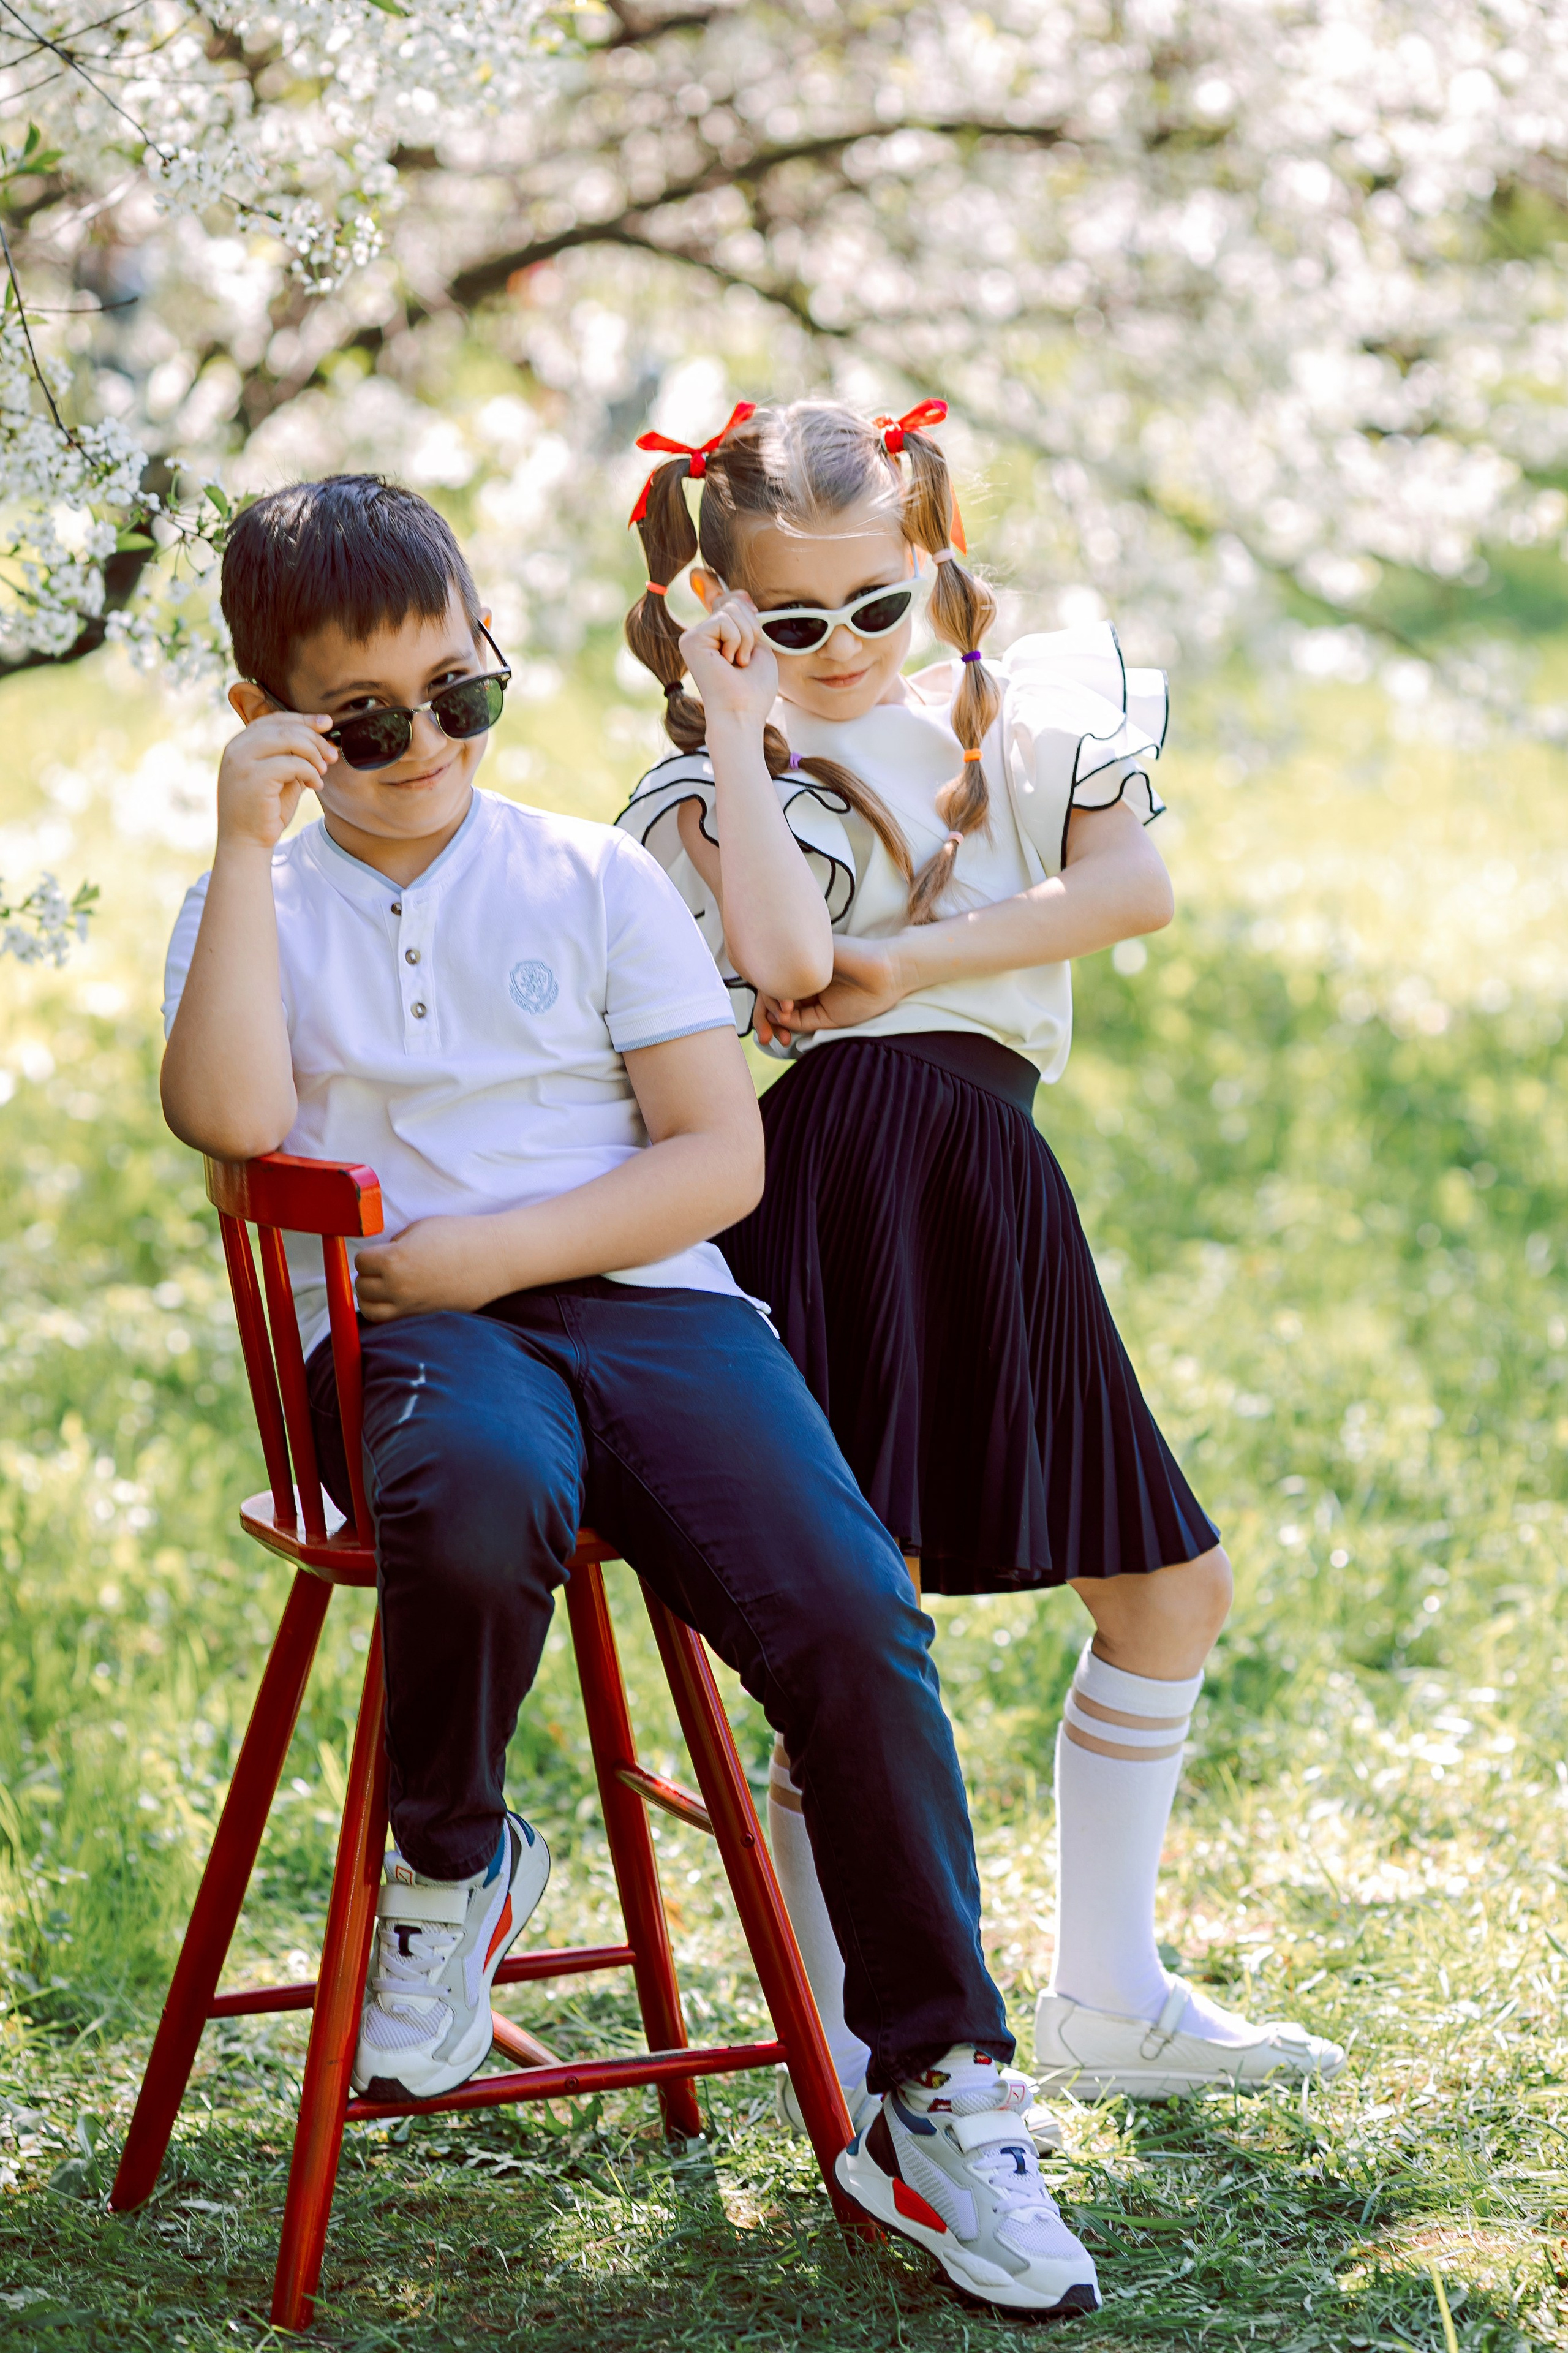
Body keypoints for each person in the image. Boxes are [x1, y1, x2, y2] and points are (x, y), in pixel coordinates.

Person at [158, 471, 1104, 2319]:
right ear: (276, 725)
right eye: (365, 720)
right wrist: (251, 854)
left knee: (851, 1612)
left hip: (638, 1300)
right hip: (422, 1345)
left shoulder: (587, 878)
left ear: (497, 663)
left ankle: (937, 2092)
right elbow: (234, 1122)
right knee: (483, 1489)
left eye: (463, 694)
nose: (424, 743)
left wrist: (498, 1252)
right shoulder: (253, 904)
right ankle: (456, 1863)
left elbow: (716, 1163)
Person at [616, 397, 1346, 2124]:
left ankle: (1107, 1987)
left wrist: (914, 953)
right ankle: (846, 2047)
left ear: (928, 557)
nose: (844, 647)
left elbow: (1134, 887)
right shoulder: (714, 783)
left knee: (1169, 1588)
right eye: (791, 620)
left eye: (875, 603)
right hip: (849, 1171)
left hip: (991, 1166)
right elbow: (790, 962)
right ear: (723, 607)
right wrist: (737, 717)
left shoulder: (1024, 714)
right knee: (852, 1618)